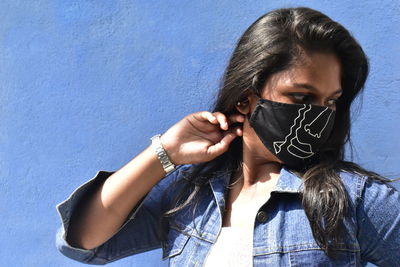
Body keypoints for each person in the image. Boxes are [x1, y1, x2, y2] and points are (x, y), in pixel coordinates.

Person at [55, 7, 400, 266]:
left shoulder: (353, 199)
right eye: (301, 97)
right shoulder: (190, 196)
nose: (318, 114)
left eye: (330, 101)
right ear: (246, 99)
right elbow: (85, 241)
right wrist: (167, 153)